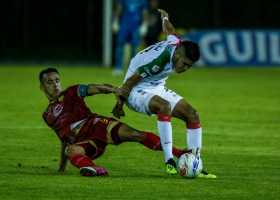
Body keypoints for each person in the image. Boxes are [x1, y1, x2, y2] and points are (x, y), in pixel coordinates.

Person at [112, 9, 216, 178]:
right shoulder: (158, 61)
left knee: (192, 114)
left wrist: (165, 17)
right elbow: (129, 82)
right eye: (184, 64)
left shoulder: (176, 42)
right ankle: (169, 161)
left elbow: (169, 29)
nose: (184, 69)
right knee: (164, 106)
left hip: (156, 85)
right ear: (178, 54)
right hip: (135, 90)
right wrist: (119, 104)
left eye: (189, 66)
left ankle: (196, 163)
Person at [39, 67, 189, 176]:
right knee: (71, 150)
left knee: (136, 135)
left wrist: (113, 90)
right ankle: (93, 168)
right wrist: (61, 167)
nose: (55, 85)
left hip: (97, 125)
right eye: (49, 82)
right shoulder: (47, 115)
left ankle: (179, 153)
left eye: (57, 80)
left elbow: (95, 88)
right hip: (85, 143)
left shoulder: (72, 92)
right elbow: (64, 140)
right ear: (42, 87)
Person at [112, 0, 148, 75]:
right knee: (119, 46)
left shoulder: (143, 1)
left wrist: (144, 24)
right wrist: (115, 21)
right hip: (124, 25)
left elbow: (144, 12)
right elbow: (119, 9)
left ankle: (132, 69)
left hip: (135, 26)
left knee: (134, 48)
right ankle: (118, 68)